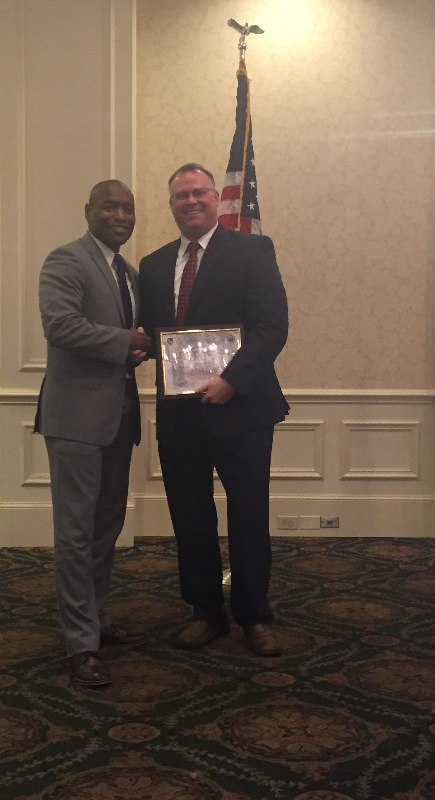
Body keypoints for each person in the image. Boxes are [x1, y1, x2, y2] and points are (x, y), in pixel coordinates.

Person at [138, 163, 289, 657]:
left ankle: (254, 616)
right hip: (180, 416)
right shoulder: (155, 264)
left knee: (248, 515)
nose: (191, 202)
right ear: (171, 205)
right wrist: (132, 345)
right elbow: (152, 335)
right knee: (189, 515)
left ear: (214, 198)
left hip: (242, 409)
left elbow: (272, 326)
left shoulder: (253, 250)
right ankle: (205, 612)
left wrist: (231, 381)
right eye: (180, 195)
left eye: (199, 192)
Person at [35, 180, 151, 686]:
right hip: (76, 422)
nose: (120, 215)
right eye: (110, 206)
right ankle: (81, 644)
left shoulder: (129, 272)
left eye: (128, 208)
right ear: (89, 211)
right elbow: (60, 326)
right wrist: (125, 340)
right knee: (76, 534)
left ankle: (97, 619)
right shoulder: (65, 261)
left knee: (106, 531)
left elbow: (134, 342)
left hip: (120, 420)